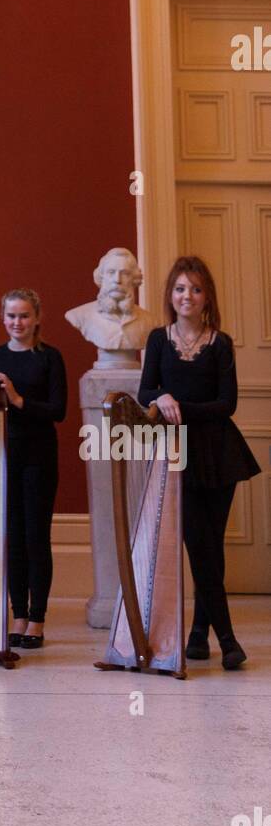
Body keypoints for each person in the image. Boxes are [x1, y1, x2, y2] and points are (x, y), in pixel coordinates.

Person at [138, 255, 259, 670]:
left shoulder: (220, 343)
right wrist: (160, 396)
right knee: (199, 544)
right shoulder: (158, 339)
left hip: (220, 452)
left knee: (211, 545)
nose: (186, 295)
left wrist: (180, 405)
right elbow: (144, 392)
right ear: (170, 295)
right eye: (179, 288)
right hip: (177, 453)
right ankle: (227, 640)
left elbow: (227, 404)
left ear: (206, 297)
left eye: (194, 289)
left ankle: (198, 634)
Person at [0, 289, 67, 650]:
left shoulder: (50, 358)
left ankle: (37, 618)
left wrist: (17, 399)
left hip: (39, 456)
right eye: (11, 316)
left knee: (36, 537)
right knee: (13, 538)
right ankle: (17, 614)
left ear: (37, 318)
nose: (18, 322)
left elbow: (58, 411)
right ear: (2, 318)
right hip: (5, 455)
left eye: (24, 316)